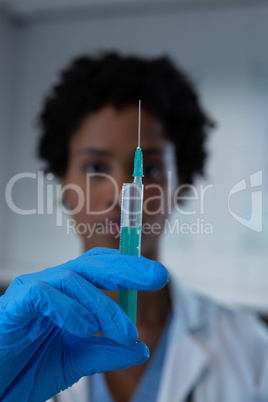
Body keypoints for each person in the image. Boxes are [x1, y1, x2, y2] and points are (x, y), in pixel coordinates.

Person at [0, 52, 268, 402]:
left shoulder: (249, 346)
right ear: (62, 181)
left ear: (181, 187)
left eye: (150, 171)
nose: (120, 192)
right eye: (95, 167)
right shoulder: (17, 338)